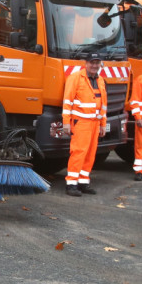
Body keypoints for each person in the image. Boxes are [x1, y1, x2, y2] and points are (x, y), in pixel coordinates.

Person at [60, 55, 108, 196]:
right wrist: (66, 122)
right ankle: (71, 184)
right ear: (86, 63)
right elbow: (67, 101)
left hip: (94, 123)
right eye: (92, 63)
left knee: (90, 154)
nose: (94, 65)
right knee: (78, 152)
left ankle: (83, 182)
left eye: (97, 63)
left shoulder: (100, 80)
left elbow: (103, 105)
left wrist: (103, 124)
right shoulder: (75, 78)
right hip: (81, 122)